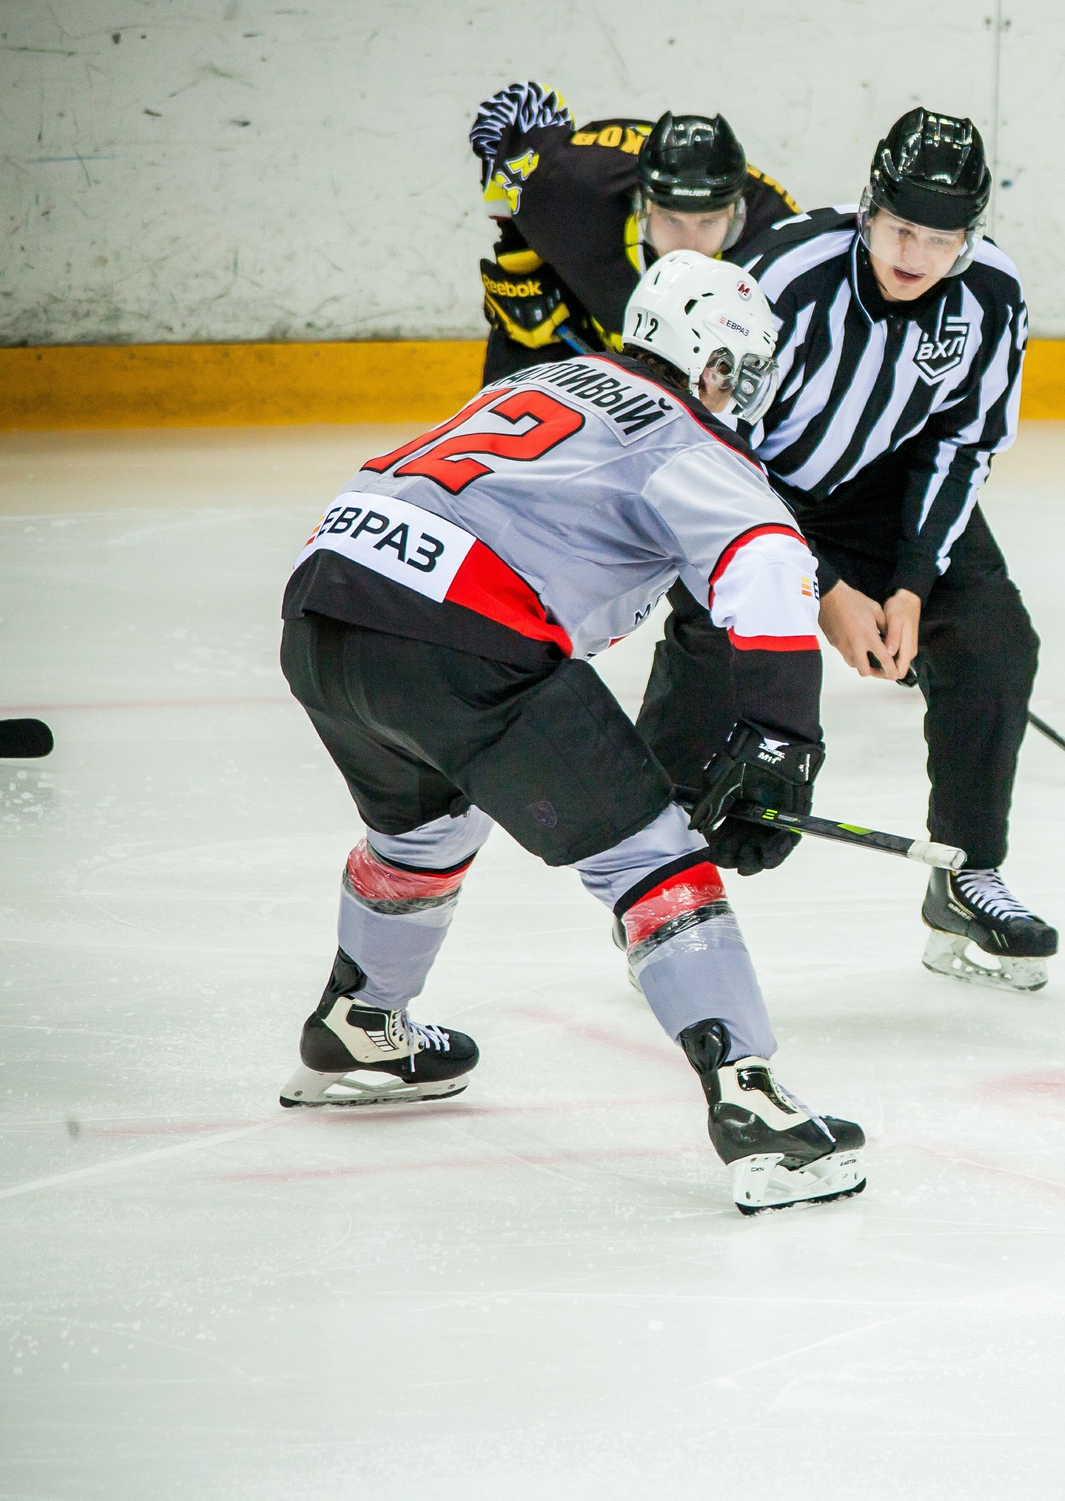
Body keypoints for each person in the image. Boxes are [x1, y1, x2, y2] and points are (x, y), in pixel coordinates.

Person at [274, 250, 863, 1215]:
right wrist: (783, 741)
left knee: (427, 826)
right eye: (743, 370)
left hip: (325, 604)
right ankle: (752, 1104)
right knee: (652, 860)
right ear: (711, 359)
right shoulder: (686, 437)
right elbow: (766, 568)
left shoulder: (549, 375)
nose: (743, 395)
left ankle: (361, 1020)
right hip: (462, 632)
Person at [636, 107, 1053, 994]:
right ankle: (658, 894)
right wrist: (820, 590)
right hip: (752, 487)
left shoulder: (992, 295)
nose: (915, 255)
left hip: (879, 489)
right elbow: (711, 440)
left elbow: (964, 444)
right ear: (869, 210)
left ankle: (967, 870)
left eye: (940, 239)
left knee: (993, 639)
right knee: (719, 649)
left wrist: (910, 584)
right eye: (901, 229)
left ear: (969, 238)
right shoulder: (784, 274)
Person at [468, 80, 799, 383]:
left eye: (708, 222)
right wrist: (519, 268)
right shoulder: (571, 188)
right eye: (672, 220)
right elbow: (515, 111)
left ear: (736, 217)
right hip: (574, 342)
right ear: (643, 208)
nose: (689, 246)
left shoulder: (778, 240)